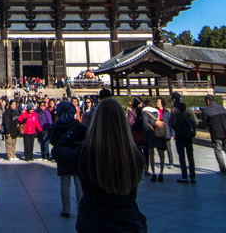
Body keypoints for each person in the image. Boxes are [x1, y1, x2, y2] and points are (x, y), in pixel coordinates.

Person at [53, 98, 145, 232]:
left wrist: (82, 126)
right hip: (129, 223)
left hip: (95, 223)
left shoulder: (87, 154)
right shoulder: (136, 156)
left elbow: (57, 150)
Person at [50, 100, 85, 219]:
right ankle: (81, 207)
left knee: (65, 183)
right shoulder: (76, 124)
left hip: (63, 156)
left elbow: (53, 140)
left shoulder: (57, 125)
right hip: (76, 155)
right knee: (78, 183)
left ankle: (66, 209)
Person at [201, 94, 226, 175]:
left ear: (207, 101)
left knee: (218, 151)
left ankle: (223, 169)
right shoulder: (222, 108)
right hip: (225, 132)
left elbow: (204, 122)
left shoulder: (206, 110)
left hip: (215, 133)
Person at [168, 92, 198, 184]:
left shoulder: (174, 110)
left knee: (182, 156)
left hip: (180, 135)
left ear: (174, 100)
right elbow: (196, 121)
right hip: (188, 135)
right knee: (190, 156)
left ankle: (184, 176)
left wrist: (178, 129)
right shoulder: (188, 109)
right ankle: (193, 176)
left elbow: (173, 123)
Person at [141, 101, 166, 182]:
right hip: (159, 133)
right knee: (161, 153)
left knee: (152, 153)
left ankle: (154, 173)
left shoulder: (145, 112)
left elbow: (145, 125)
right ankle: (161, 173)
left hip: (152, 135)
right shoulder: (156, 111)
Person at [155, 97, 174, 167]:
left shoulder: (167, 112)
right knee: (160, 149)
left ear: (162, 103)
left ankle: (171, 163)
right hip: (159, 132)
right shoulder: (155, 112)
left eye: (158, 102)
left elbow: (170, 123)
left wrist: (172, 134)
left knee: (169, 149)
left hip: (166, 132)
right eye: (157, 102)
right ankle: (161, 162)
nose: (157, 103)